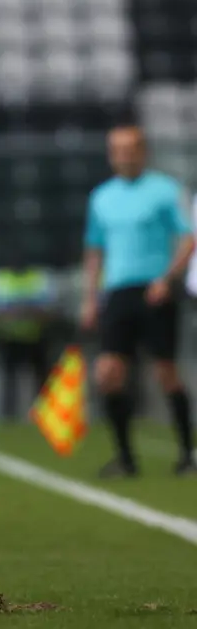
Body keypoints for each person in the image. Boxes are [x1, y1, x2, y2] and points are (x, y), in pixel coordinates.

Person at [81, 125, 195, 479]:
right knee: (108, 373)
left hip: (154, 290)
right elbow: (95, 250)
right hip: (118, 292)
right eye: (118, 150)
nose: (124, 156)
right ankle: (126, 459)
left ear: (143, 152)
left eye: (131, 149)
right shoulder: (101, 197)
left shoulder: (165, 190)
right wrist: (90, 298)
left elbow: (188, 238)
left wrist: (168, 278)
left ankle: (187, 454)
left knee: (165, 372)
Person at [0, 244, 58, 421]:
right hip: (8, 339)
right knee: (9, 382)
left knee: (42, 380)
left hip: (35, 338)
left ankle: (44, 416)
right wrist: (14, 313)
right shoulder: (0, 280)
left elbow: (50, 312)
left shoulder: (38, 278)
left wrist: (24, 312)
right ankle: (8, 417)